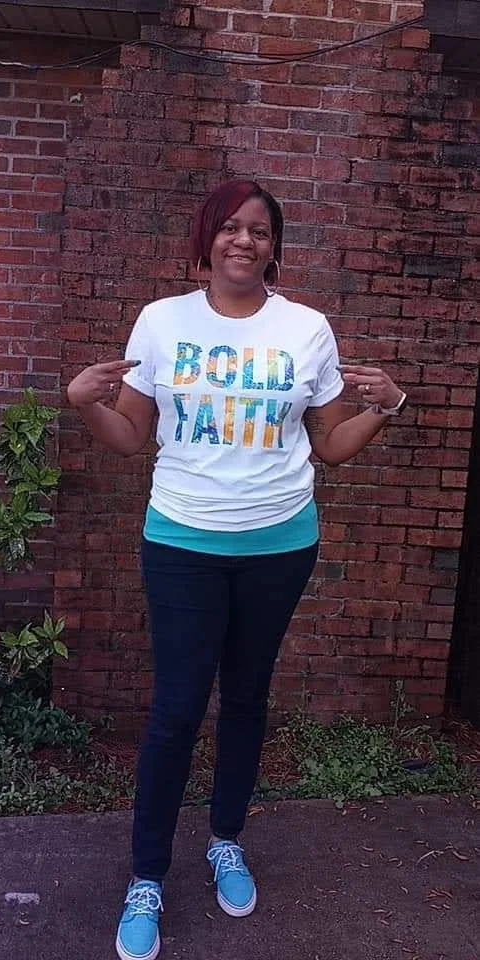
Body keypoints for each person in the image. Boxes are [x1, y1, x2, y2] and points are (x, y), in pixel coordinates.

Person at [67, 179, 407, 960]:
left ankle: (225, 840)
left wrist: (386, 405)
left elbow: (330, 445)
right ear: (207, 238)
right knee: (177, 709)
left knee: (247, 698)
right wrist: (85, 403)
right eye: (229, 227)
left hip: (278, 544)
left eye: (258, 229)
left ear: (273, 245)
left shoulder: (305, 329)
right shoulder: (162, 321)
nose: (243, 240)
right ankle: (146, 877)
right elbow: (131, 436)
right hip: (181, 541)